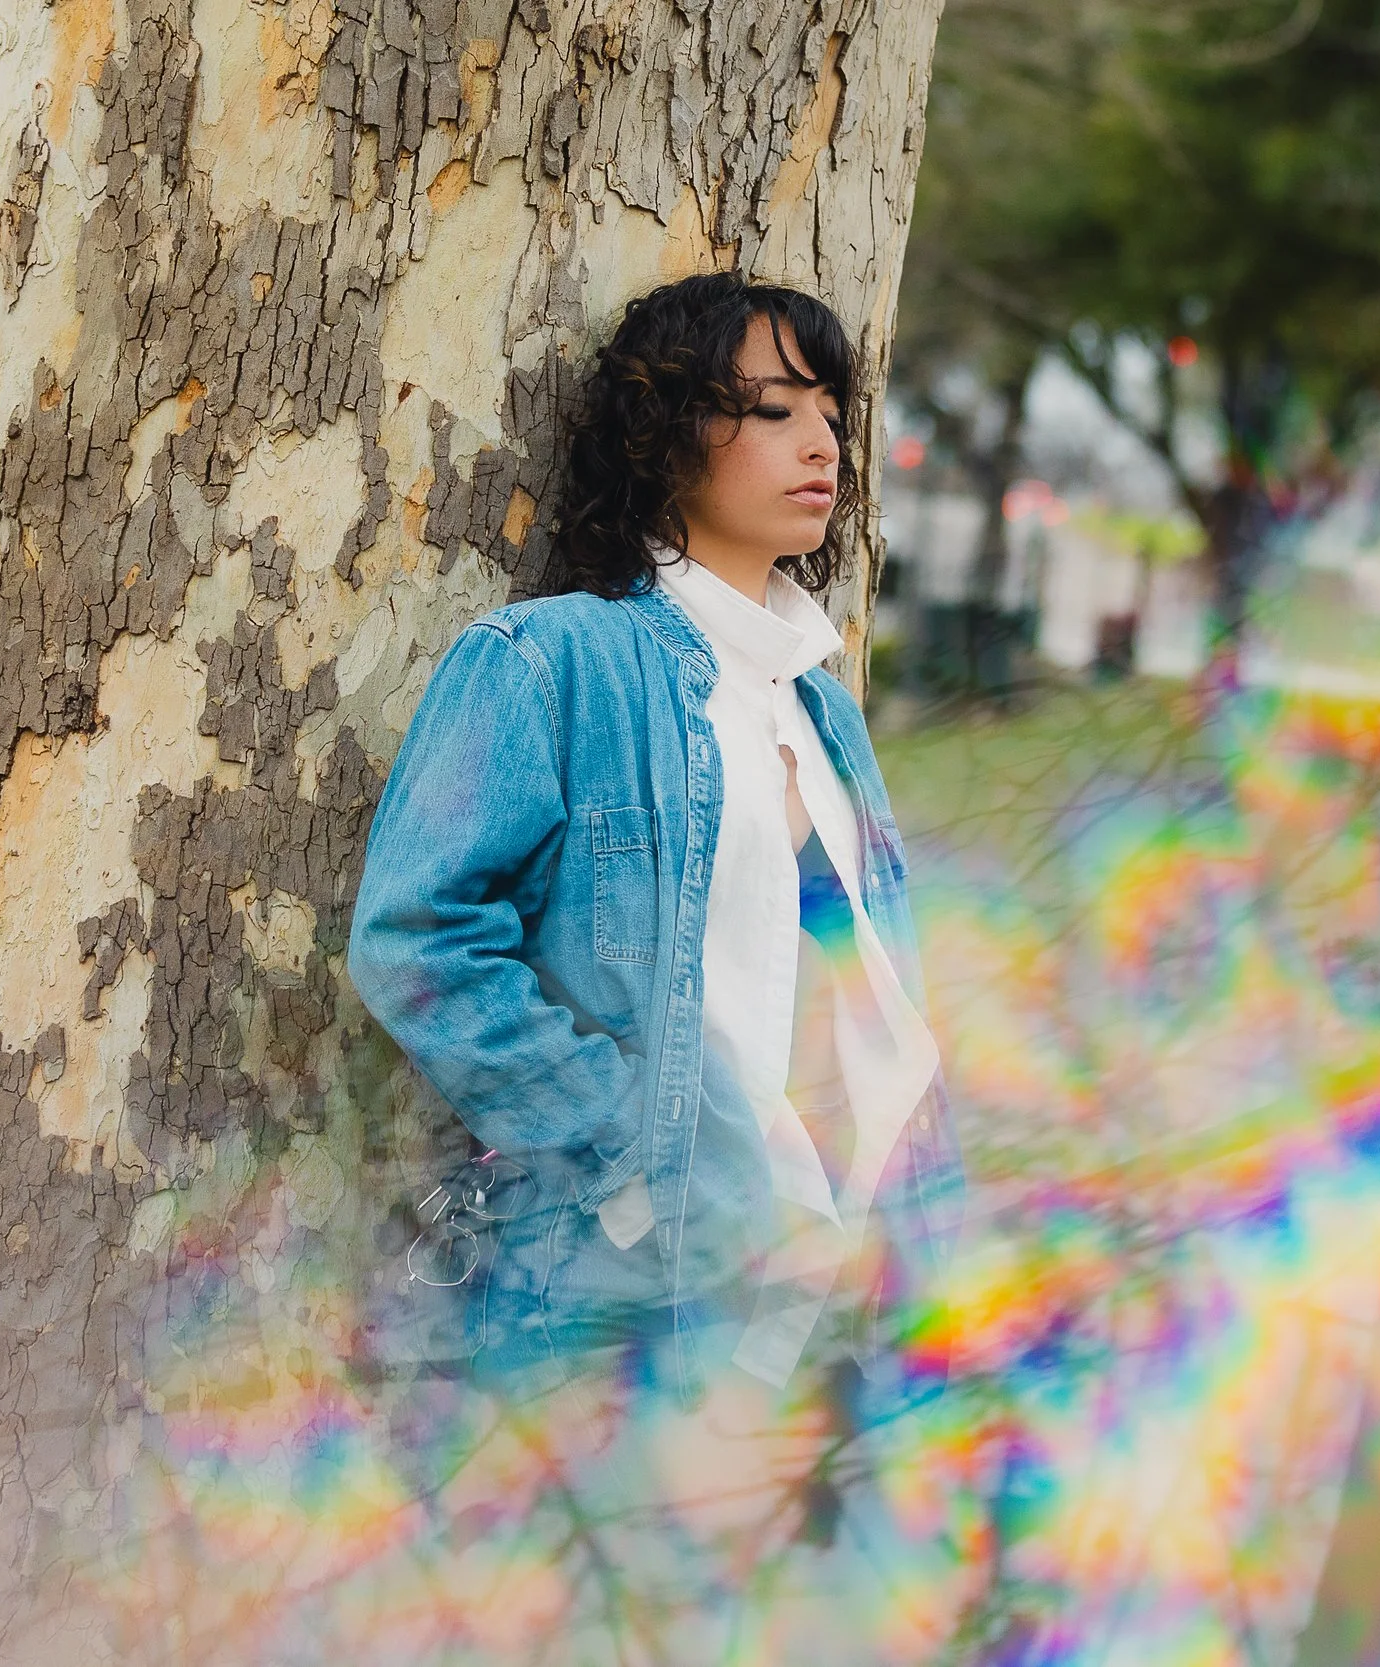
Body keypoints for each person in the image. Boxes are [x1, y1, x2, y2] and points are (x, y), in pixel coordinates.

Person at [344, 270, 963, 1661]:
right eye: (769, 410)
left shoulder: (822, 709)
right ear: (670, 433)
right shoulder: (551, 661)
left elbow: (871, 1008)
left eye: (831, 412)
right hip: (640, 1301)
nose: (822, 446)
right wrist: (636, 1149)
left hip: (839, 1301)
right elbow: (419, 939)